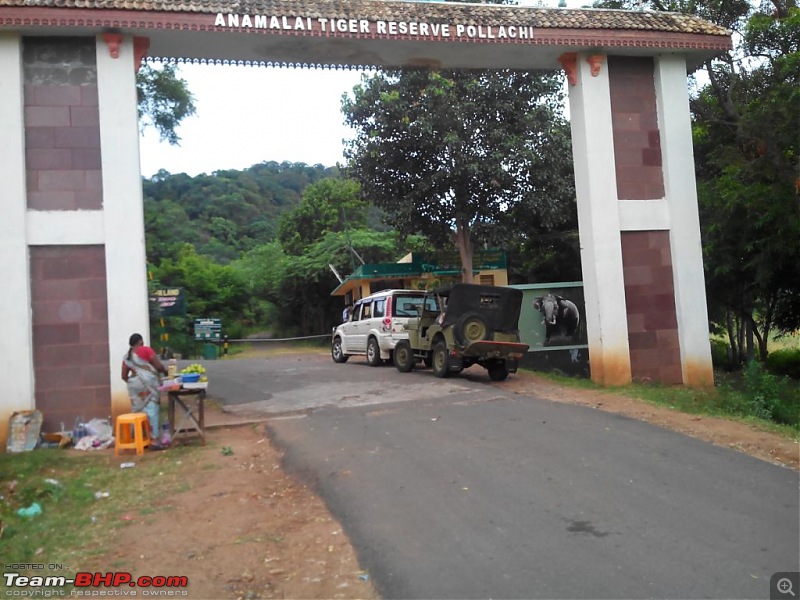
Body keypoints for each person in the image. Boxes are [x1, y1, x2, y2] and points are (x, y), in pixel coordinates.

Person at [121, 333, 168, 449]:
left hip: (135, 387)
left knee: (138, 411)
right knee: (152, 409)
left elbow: (124, 376)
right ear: (141, 342)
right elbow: (158, 366)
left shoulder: (127, 356)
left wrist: (135, 382)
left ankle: (141, 437)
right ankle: (155, 440)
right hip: (149, 385)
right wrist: (164, 371)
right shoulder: (146, 350)